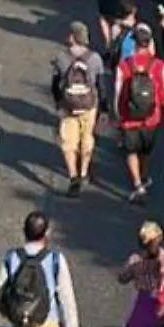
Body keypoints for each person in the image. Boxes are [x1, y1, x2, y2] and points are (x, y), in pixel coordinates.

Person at [115, 24, 164, 204]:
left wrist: (118, 112)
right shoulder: (158, 65)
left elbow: (118, 91)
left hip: (129, 117)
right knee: (145, 150)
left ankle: (137, 183)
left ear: (134, 44)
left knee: (131, 151)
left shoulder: (125, 65)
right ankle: (144, 174)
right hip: (151, 117)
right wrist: (158, 105)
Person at [51, 20, 106, 198]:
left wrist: (59, 103)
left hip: (68, 106)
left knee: (68, 142)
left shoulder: (61, 57)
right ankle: (84, 172)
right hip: (89, 105)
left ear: (73, 37)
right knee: (87, 137)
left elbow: (54, 85)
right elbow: (101, 85)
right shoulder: (95, 58)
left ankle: (73, 176)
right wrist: (103, 108)